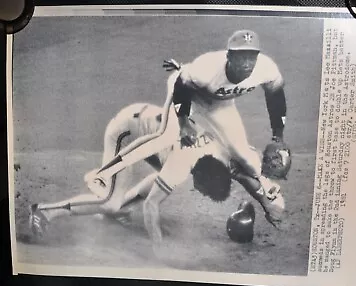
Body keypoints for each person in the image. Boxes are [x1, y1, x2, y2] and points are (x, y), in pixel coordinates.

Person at [29, 103, 284, 240]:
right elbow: (151, 206)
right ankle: (46, 212)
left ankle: (117, 205)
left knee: (161, 180)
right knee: (110, 203)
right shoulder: (183, 164)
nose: (199, 192)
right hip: (127, 131)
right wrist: (159, 250)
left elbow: (246, 176)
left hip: (157, 134)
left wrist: (265, 203)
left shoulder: (226, 155)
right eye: (203, 189)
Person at [86, 29, 288, 203]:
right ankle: (103, 173)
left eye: (251, 57)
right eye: (241, 56)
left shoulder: (266, 68)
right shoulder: (207, 68)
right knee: (165, 136)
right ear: (229, 56)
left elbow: (276, 97)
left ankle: (265, 184)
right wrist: (182, 122)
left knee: (242, 151)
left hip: (220, 102)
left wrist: (277, 136)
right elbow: (182, 85)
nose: (247, 63)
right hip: (187, 91)